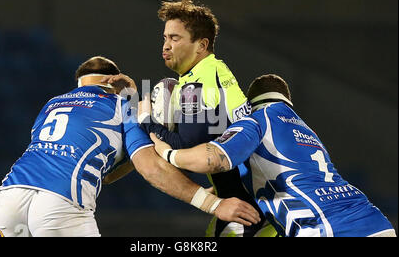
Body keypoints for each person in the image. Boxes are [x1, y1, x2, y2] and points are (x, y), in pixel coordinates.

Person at [0, 56, 261, 237]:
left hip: (9, 197)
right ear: (111, 82)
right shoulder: (121, 106)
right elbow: (151, 168)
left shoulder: (52, 105)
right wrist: (212, 203)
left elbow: (99, 168)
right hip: (61, 204)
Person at [150, 73, 397, 237]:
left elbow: (211, 159)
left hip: (331, 229)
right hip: (376, 222)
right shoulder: (305, 130)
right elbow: (283, 175)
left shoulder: (258, 119)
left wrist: (169, 152)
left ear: (251, 102)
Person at [136, 0, 275, 237]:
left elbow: (184, 147)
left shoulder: (198, 82)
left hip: (249, 214)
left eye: (175, 38)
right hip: (253, 201)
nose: (166, 45)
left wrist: (146, 121)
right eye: (165, 37)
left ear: (201, 45)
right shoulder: (208, 73)